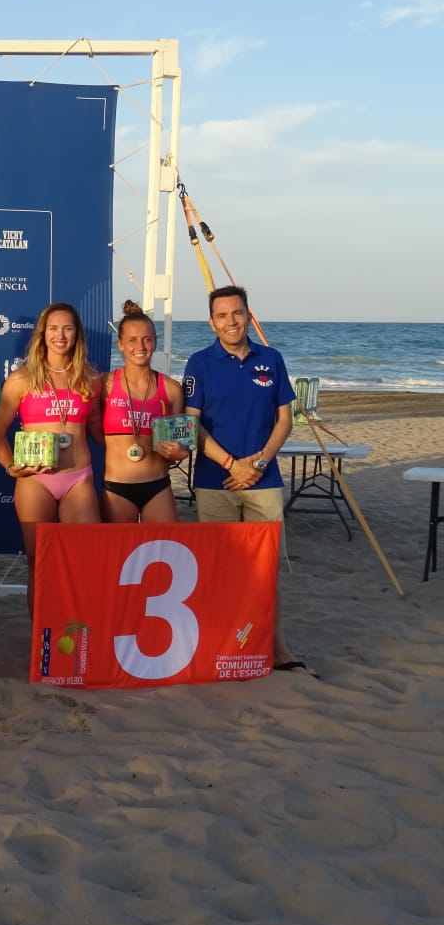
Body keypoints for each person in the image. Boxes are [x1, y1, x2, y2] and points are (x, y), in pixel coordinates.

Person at [183, 284, 306, 673]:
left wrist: (258, 463)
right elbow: (191, 423)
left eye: (237, 313)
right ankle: (221, 645)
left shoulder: (271, 358)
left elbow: (285, 419)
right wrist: (230, 464)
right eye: (222, 315)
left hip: (264, 481)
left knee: (265, 570)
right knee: (219, 568)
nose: (231, 321)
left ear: (248, 315)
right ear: (211, 322)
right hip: (215, 481)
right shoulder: (199, 363)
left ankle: (278, 648)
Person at [0, 302, 102, 616]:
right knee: (38, 561)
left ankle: (78, 632)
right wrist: (10, 466)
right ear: (42, 334)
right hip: (35, 480)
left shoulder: (91, 379)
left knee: (83, 562)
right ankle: (42, 636)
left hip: (78, 479)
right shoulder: (21, 379)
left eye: (67, 328)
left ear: (77, 334)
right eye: (53, 328)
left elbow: (99, 430)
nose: (60, 335)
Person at [96, 300, 190, 523]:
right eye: (132, 340)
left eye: (147, 339)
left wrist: (178, 452)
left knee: (164, 543)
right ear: (120, 344)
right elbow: (91, 429)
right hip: (117, 487)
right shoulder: (105, 384)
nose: (140, 346)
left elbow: (182, 446)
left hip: (158, 486)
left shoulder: (171, 389)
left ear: (155, 342)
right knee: (119, 546)